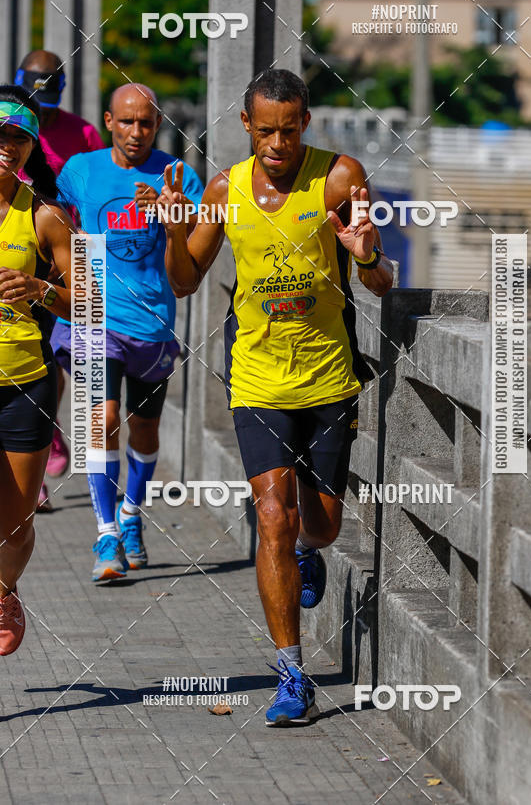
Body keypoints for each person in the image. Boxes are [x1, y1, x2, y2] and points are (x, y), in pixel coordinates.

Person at [162, 69, 393, 725]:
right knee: (271, 513)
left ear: (306, 124)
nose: (277, 144)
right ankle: (292, 673)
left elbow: (379, 281)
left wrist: (368, 254)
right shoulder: (224, 189)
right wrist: (176, 233)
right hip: (257, 378)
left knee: (320, 524)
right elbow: (184, 283)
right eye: (265, 131)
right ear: (246, 126)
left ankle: (307, 551)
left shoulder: (340, 178)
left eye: (289, 131)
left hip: (325, 378)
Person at [50, 83, 203, 583]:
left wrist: (172, 214)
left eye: (147, 122)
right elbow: (44, 216)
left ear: (157, 124)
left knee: (144, 428)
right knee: (103, 417)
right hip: (93, 313)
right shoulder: (80, 171)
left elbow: (196, 257)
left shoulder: (178, 175)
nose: (137, 132)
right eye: (127, 121)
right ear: (109, 121)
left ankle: (133, 513)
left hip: (152, 321)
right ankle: (106, 532)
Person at [0, 85, 74, 654]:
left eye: (19, 137)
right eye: (0, 134)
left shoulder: (45, 216)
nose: (8, 146)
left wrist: (41, 288)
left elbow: (90, 301)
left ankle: (4, 589)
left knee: (17, 522)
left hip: (24, 381)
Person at [15, 50, 105, 509]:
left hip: (67, 251)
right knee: (38, 350)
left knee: (65, 351)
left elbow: (93, 193)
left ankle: (48, 429)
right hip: (19, 247)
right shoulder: (9, 122)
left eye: (50, 99)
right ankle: (44, 444)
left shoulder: (83, 132)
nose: (43, 108)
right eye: (36, 97)